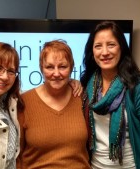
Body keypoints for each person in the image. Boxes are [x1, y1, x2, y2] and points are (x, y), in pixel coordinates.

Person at [81, 21, 140, 169]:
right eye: (98, 46)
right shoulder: (87, 87)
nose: (105, 52)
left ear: (122, 48)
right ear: (92, 51)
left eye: (111, 45)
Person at [17, 40, 91, 169]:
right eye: (49, 67)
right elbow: (16, 155)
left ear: (71, 68)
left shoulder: (82, 98)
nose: (56, 73)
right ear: (41, 68)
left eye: (62, 67)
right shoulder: (24, 102)